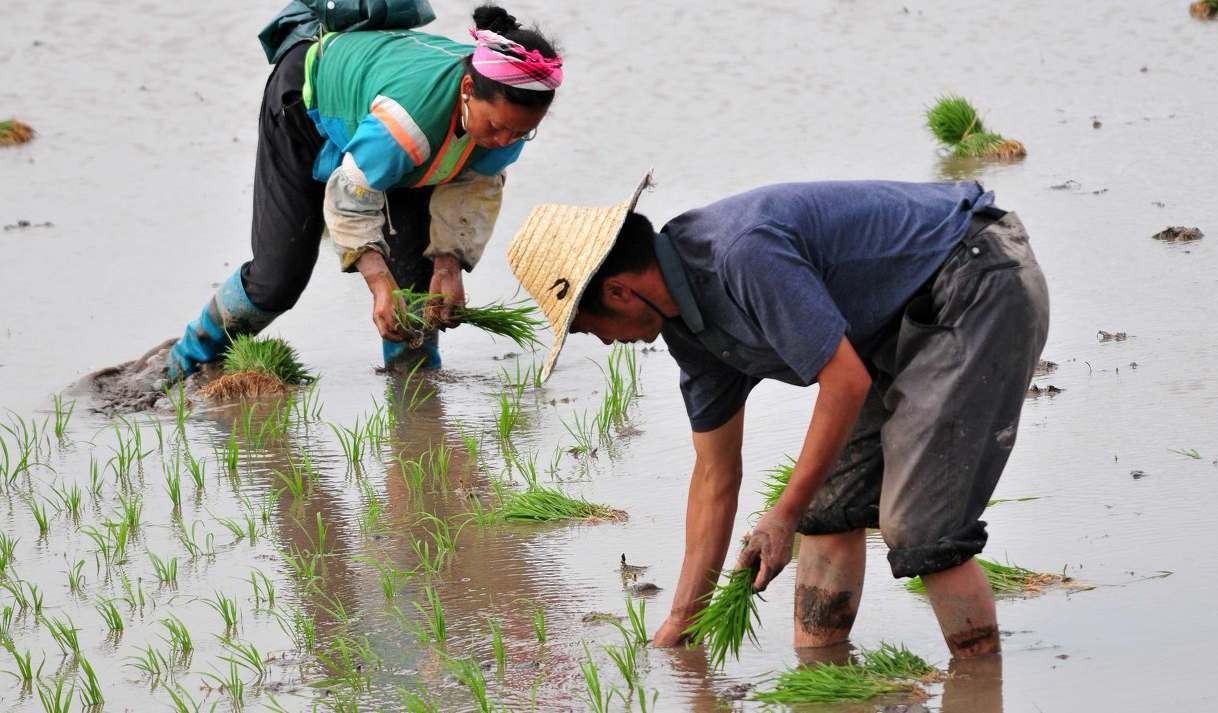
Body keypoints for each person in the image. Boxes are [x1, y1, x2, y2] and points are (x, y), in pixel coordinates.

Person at [505, 174, 1049, 658]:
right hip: (890, 323)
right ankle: (822, 677)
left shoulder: (741, 254)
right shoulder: (689, 330)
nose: (600, 340)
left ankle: (976, 684)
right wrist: (681, 621)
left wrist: (781, 514)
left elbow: (845, 381)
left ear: (619, 291)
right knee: (826, 509)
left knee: (921, 528)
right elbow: (715, 475)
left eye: (584, 326)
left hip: (975, 279)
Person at [165, 4, 563, 380]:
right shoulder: (408, 123)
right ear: (467, 87)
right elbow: (351, 196)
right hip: (307, 101)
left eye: (521, 131)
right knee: (278, 280)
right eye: (495, 126)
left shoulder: (508, 125)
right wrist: (377, 283)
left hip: (400, 129)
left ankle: (416, 399)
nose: (504, 140)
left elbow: (471, 190)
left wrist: (449, 265)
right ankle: (182, 364)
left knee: (417, 288)